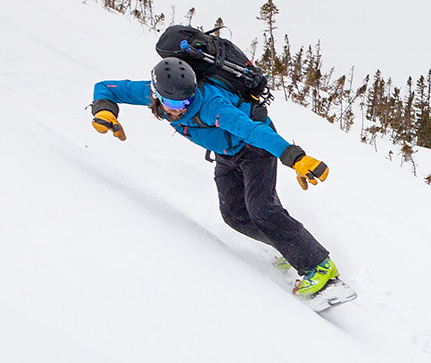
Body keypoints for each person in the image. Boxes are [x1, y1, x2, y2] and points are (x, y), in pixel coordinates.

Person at [90, 58, 343, 297]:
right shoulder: (150, 92)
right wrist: (105, 111)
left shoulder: (212, 105)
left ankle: (321, 268)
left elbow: (254, 131)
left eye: (186, 103)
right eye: (175, 104)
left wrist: (295, 157)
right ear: (156, 95)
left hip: (255, 148)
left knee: (262, 209)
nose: (181, 109)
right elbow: (106, 88)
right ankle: (290, 250)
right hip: (226, 154)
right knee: (234, 216)